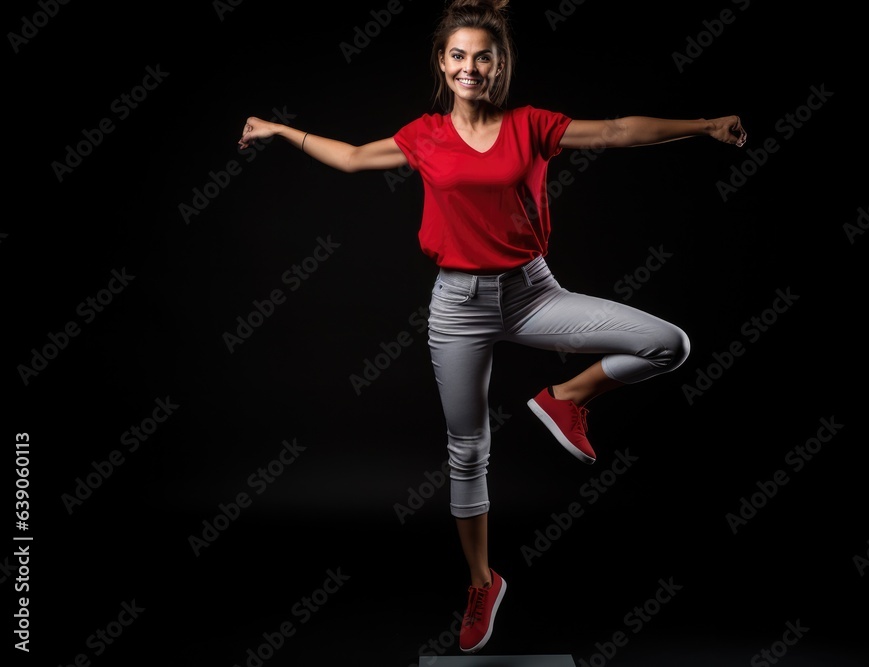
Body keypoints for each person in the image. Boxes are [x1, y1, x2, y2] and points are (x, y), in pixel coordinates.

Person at [237, 0, 747, 654]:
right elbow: (355, 157)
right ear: (442, 63)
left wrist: (705, 125)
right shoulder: (424, 135)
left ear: (499, 64)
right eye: (458, 56)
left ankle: (566, 398)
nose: (469, 67)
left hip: (533, 292)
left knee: (667, 342)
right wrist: (279, 129)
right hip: (457, 305)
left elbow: (619, 131)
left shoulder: (532, 125)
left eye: (482, 56)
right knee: (468, 449)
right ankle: (482, 582)